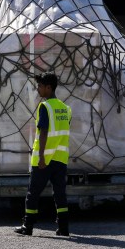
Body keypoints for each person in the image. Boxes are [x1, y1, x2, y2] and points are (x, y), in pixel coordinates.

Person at [14, 72, 72, 237]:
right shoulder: (65, 108)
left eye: (40, 86)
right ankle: (63, 227)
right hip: (60, 158)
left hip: (44, 159)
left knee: (33, 193)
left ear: (49, 87)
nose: (38, 89)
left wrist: (40, 157)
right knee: (60, 194)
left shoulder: (45, 107)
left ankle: (28, 225)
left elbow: (44, 133)